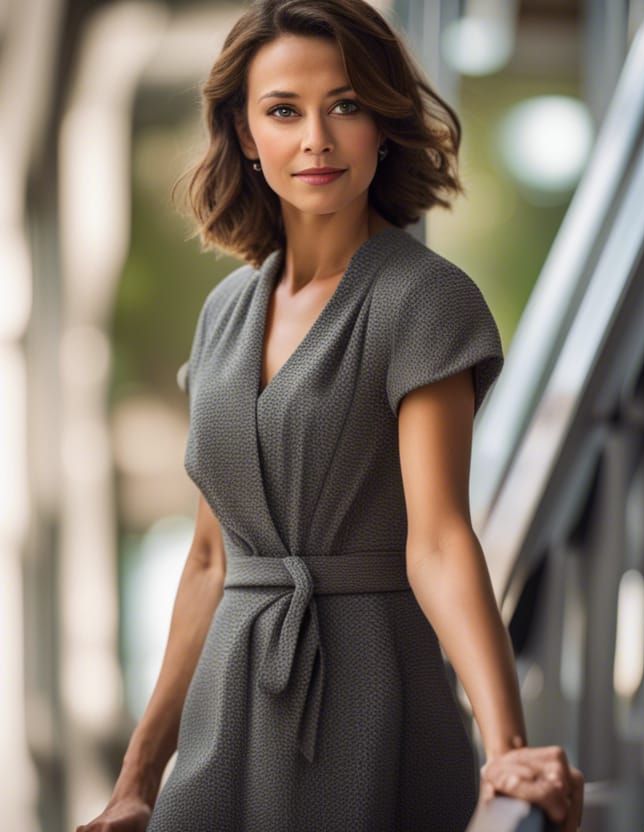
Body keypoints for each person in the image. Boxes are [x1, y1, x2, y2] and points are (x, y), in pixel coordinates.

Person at [77, 1, 583, 829]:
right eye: (284, 110)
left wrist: (507, 746)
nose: (316, 137)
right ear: (245, 134)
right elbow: (210, 560)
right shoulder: (224, 313)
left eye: (344, 105)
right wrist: (137, 781)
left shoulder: (423, 299)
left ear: (383, 123)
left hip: (374, 703)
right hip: (225, 717)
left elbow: (441, 540)